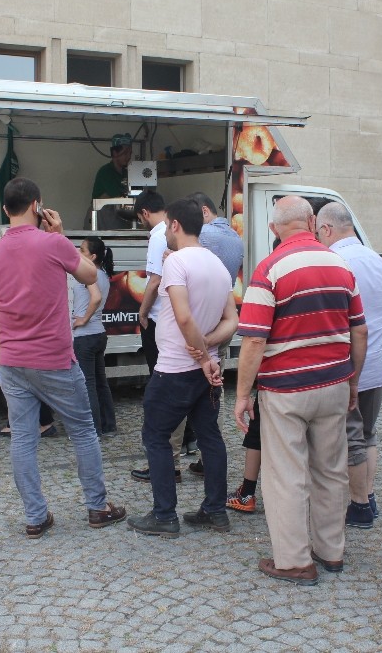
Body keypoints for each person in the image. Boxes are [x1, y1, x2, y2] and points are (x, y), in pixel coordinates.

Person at [0, 177, 126, 538]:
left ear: (5, 209)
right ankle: (97, 506)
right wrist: (60, 235)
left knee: (24, 438)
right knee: (83, 431)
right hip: (55, 358)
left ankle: (35, 516)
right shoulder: (52, 244)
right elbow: (91, 273)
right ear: (37, 206)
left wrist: (5, 353)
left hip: (12, 360)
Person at [234, 196, 367, 587]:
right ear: (311, 222)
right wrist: (353, 382)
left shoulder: (269, 268)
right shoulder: (340, 264)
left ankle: (293, 562)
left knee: (286, 474)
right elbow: (359, 330)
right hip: (333, 384)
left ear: (275, 229)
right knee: (330, 470)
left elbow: (254, 342)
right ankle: (332, 552)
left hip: (285, 389)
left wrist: (243, 395)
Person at [127, 198, 238, 538]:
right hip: (209, 371)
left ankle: (164, 516)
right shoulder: (218, 265)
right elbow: (232, 321)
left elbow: (182, 315)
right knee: (210, 438)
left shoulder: (176, 263)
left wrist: (201, 356)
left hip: (175, 369)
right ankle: (215, 510)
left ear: (174, 225)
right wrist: (207, 351)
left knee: (156, 437)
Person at [315, 202, 382, 530]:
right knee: (368, 434)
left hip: (348, 367)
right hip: (376, 363)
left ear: (328, 229)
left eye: (319, 231)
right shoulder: (377, 260)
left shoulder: (336, 262)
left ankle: (357, 505)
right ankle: (368, 496)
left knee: (346, 439)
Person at [129, 191, 188, 483]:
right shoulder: (187, 239)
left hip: (161, 321)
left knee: (161, 389)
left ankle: (166, 461)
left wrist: (142, 311)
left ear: (143, 214)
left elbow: (154, 280)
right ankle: (184, 447)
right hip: (182, 321)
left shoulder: (157, 235)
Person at [184, 191, 244, 476]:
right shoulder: (235, 236)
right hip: (225, 313)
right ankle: (208, 457)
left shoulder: (204, 237)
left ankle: (175, 453)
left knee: (184, 380)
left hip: (202, 316)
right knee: (213, 382)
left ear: (204, 212)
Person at [73, 236, 117, 436]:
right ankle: (108, 425)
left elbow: (95, 298)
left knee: (87, 383)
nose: (78, 253)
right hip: (99, 333)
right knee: (100, 382)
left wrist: (83, 319)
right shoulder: (103, 274)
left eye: (82, 250)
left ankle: (94, 429)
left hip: (86, 335)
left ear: (92, 256)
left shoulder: (88, 276)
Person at [86, 133, 134, 230]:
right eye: (125, 153)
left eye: (130, 153)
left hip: (119, 219)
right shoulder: (105, 172)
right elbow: (118, 196)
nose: (128, 157)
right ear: (115, 153)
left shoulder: (127, 173)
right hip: (102, 218)